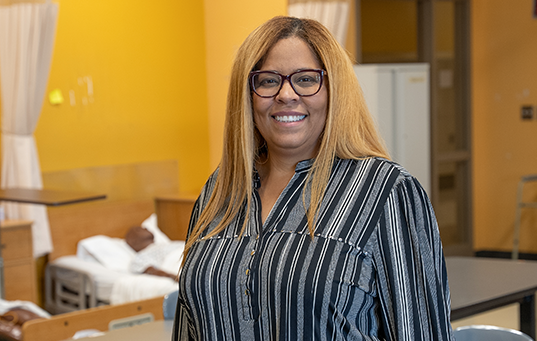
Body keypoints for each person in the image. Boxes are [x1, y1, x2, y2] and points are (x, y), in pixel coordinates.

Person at [173, 16, 454, 341]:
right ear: (247, 95)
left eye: (306, 79)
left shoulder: (386, 192)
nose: (286, 94)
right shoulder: (219, 191)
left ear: (335, 90)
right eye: (267, 81)